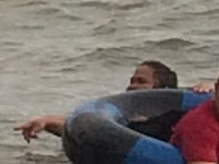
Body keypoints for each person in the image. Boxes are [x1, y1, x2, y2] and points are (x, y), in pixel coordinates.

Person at [16, 60, 197, 141]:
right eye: (131, 81)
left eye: (141, 82)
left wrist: (206, 87)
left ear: (163, 91)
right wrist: (46, 121)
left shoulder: (175, 119)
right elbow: (89, 128)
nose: (131, 87)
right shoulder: (125, 117)